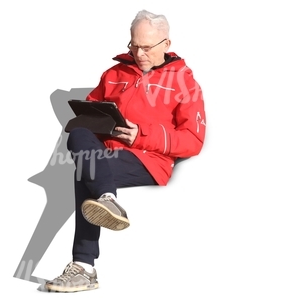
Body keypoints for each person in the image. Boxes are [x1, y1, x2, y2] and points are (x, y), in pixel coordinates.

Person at [44, 9, 206, 292]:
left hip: (148, 158)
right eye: (134, 45)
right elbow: (94, 106)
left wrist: (140, 136)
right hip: (107, 151)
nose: (139, 53)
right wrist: (92, 117)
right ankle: (108, 198)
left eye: (146, 47)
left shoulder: (185, 83)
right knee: (78, 134)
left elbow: (193, 140)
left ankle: (84, 267)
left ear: (166, 44)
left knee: (85, 170)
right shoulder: (114, 73)